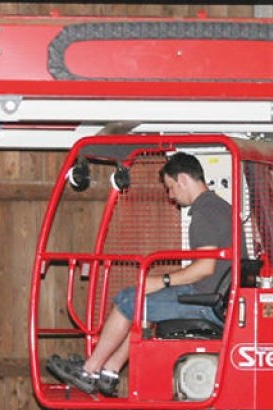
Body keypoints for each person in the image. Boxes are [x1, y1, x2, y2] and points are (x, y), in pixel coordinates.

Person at [47, 152, 234, 396]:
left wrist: (162, 281)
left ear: (183, 180)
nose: (171, 196)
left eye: (170, 188)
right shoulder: (219, 208)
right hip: (214, 298)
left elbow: (204, 268)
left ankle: (89, 371)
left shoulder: (206, 213)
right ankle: (110, 371)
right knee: (142, 306)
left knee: (128, 300)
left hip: (207, 304)